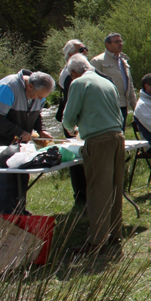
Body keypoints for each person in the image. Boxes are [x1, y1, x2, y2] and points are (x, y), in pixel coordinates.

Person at [61, 54, 125, 254]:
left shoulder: (79, 83)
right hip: (117, 136)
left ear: (73, 73)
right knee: (115, 187)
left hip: (98, 140)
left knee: (98, 190)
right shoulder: (107, 82)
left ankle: (96, 241)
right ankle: (115, 233)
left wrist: (70, 128)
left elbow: (69, 115)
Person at [0, 70, 55, 214]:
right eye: (38, 96)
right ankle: (6, 216)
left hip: (17, 139)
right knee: (3, 178)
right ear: (30, 86)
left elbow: (36, 114)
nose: (40, 100)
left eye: (43, 98)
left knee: (21, 176)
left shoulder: (38, 92)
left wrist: (41, 130)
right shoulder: (8, 87)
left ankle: (20, 212)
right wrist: (19, 132)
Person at [55, 39, 89, 206]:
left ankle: (87, 194)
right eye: (80, 49)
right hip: (74, 123)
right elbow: (72, 102)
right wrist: (73, 127)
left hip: (80, 121)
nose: (85, 52)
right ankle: (81, 196)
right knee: (76, 160)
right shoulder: (70, 74)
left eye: (85, 49)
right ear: (69, 56)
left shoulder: (81, 71)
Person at [90, 32, 137, 130]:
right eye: (116, 42)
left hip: (123, 105)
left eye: (121, 41)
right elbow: (93, 86)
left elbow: (130, 85)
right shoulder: (98, 61)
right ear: (108, 44)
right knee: (110, 134)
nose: (120, 44)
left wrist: (135, 107)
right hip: (107, 106)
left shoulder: (124, 60)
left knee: (121, 134)